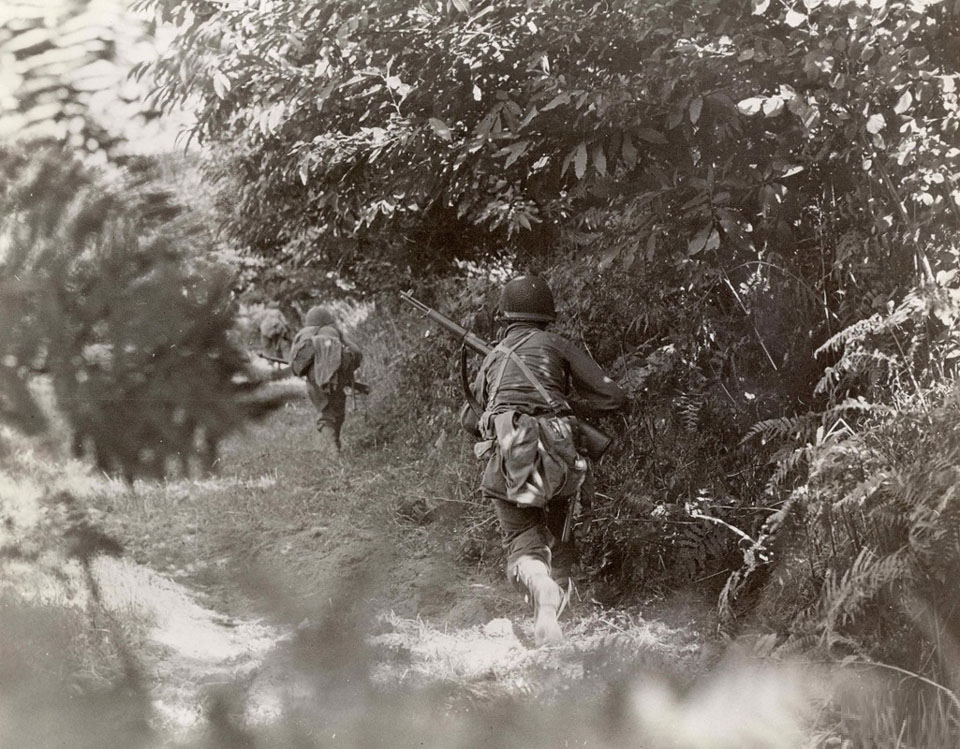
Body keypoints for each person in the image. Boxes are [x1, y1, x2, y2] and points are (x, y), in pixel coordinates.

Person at [461, 275, 625, 646]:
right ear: (547, 316)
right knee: (561, 534)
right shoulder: (557, 345)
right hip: (559, 455)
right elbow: (614, 397)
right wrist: (563, 408)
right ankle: (550, 613)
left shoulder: (493, 358)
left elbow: (469, 419)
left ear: (505, 317)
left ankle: (539, 584)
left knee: (522, 536)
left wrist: (507, 418)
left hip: (510, 455)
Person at [289, 306, 364, 457]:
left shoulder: (302, 335)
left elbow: (294, 362)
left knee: (325, 411)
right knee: (338, 407)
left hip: (314, 376)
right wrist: (347, 372)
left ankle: (333, 449)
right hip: (337, 372)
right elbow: (356, 352)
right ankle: (335, 443)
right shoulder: (334, 331)